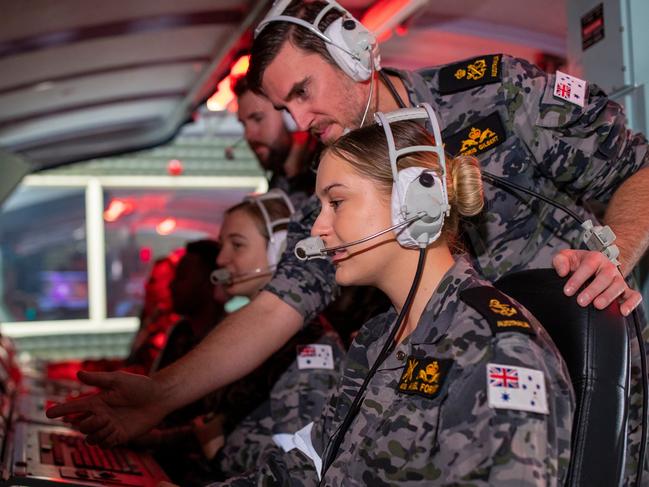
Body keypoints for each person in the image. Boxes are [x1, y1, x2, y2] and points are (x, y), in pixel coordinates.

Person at [47, 0, 647, 481]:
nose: (299, 122)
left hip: (577, 358)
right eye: (285, 108)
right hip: (444, 373)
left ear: (356, 52)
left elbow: (638, 166)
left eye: (303, 92)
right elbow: (275, 309)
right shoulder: (335, 189)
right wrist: (160, 394)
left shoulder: (498, 93)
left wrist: (611, 255)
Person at [221, 113, 574, 485]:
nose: (317, 228)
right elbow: (311, 466)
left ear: (414, 202)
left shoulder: (496, 347)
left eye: (336, 202)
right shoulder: (378, 337)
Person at [204, 190, 344, 479]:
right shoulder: (243, 330)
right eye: (221, 245)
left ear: (279, 250)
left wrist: (219, 450)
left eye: (237, 245)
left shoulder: (310, 344)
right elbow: (226, 421)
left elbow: (303, 463)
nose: (220, 258)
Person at [233, 75, 317, 208]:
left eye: (257, 119)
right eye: (244, 124)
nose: (248, 135)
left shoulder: (325, 172)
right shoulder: (279, 180)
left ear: (290, 116)